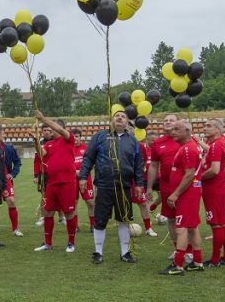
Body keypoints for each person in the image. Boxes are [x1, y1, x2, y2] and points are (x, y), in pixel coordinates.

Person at [78, 110, 145, 264]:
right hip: (104, 186)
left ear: (127, 122)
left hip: (124, 187)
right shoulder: (100, 136)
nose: (120, 118)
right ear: (112, 120)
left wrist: (139, 183)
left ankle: (125, 253)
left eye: (123, 116)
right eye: (117, 116)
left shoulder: (133, 141)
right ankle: (98, 252)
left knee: (124, 220)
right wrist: (83, 176)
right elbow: (88, 158)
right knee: (100, 220)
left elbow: (138, 165)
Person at [157, 120, 205, 275]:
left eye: (177, 129)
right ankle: (197, 261)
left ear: (187, 130)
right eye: (172, 129)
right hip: (191, 192)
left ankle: (178, 265)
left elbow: (190, 173)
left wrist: (176, 193)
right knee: (192, 227)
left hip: (187, 194)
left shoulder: (188, 149)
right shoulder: (188, 147)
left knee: (181, 228)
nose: (173, 131)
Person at [33, 113, 79, 253]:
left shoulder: (68, 138)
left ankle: (71, 243)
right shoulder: (49, 143)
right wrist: (36, 141)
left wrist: (43, 119)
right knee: (47, 212)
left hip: (67, 182)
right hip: (52, 183)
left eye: (53, 129)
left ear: (61, 128)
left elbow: (57, 128)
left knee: (69, 213)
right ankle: (48, 243)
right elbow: (41, 153)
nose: (50, 131)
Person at [146, 114, 188, 261]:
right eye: (165, 120)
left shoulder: (185, 140)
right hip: (165, 186)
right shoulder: (157, 143)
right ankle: (178, 249)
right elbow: (153, 166)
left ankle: (189, 252)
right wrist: (149, 187)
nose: (168, 122)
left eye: (171, 120)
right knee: (171, 219)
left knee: (185, 220)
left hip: (184, 185)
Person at [198, 119, 225, 267]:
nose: (205, 128)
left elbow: (214, 170)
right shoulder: (224, 141)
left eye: (209, 126)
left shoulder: (216, 145)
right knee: (224, 223)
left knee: (216, 225)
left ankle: (214, 260)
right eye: (205, 125)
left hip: (214, 189)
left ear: (218, 130)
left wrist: (198, 177)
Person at [132, 131, 156, 237]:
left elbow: (145, 160)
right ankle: (123, 228)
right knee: (123, 204)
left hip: (137, 180)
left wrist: (140, 171)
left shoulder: (140, 146)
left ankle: (148, 228)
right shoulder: (117, 146)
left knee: (143, 203)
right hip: (122, 180)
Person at [72, 128, 95, 231]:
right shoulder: (68, 149)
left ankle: (93, 225)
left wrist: (82, 172)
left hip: (86, 179)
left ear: (80, 137)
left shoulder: (86, 148)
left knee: (90, 202)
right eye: (73, 136)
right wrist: (74, 172)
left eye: (77, 136)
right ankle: (75, 226)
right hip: (72, 180)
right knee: (74, 203)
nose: (75, 138)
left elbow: (92, 163)